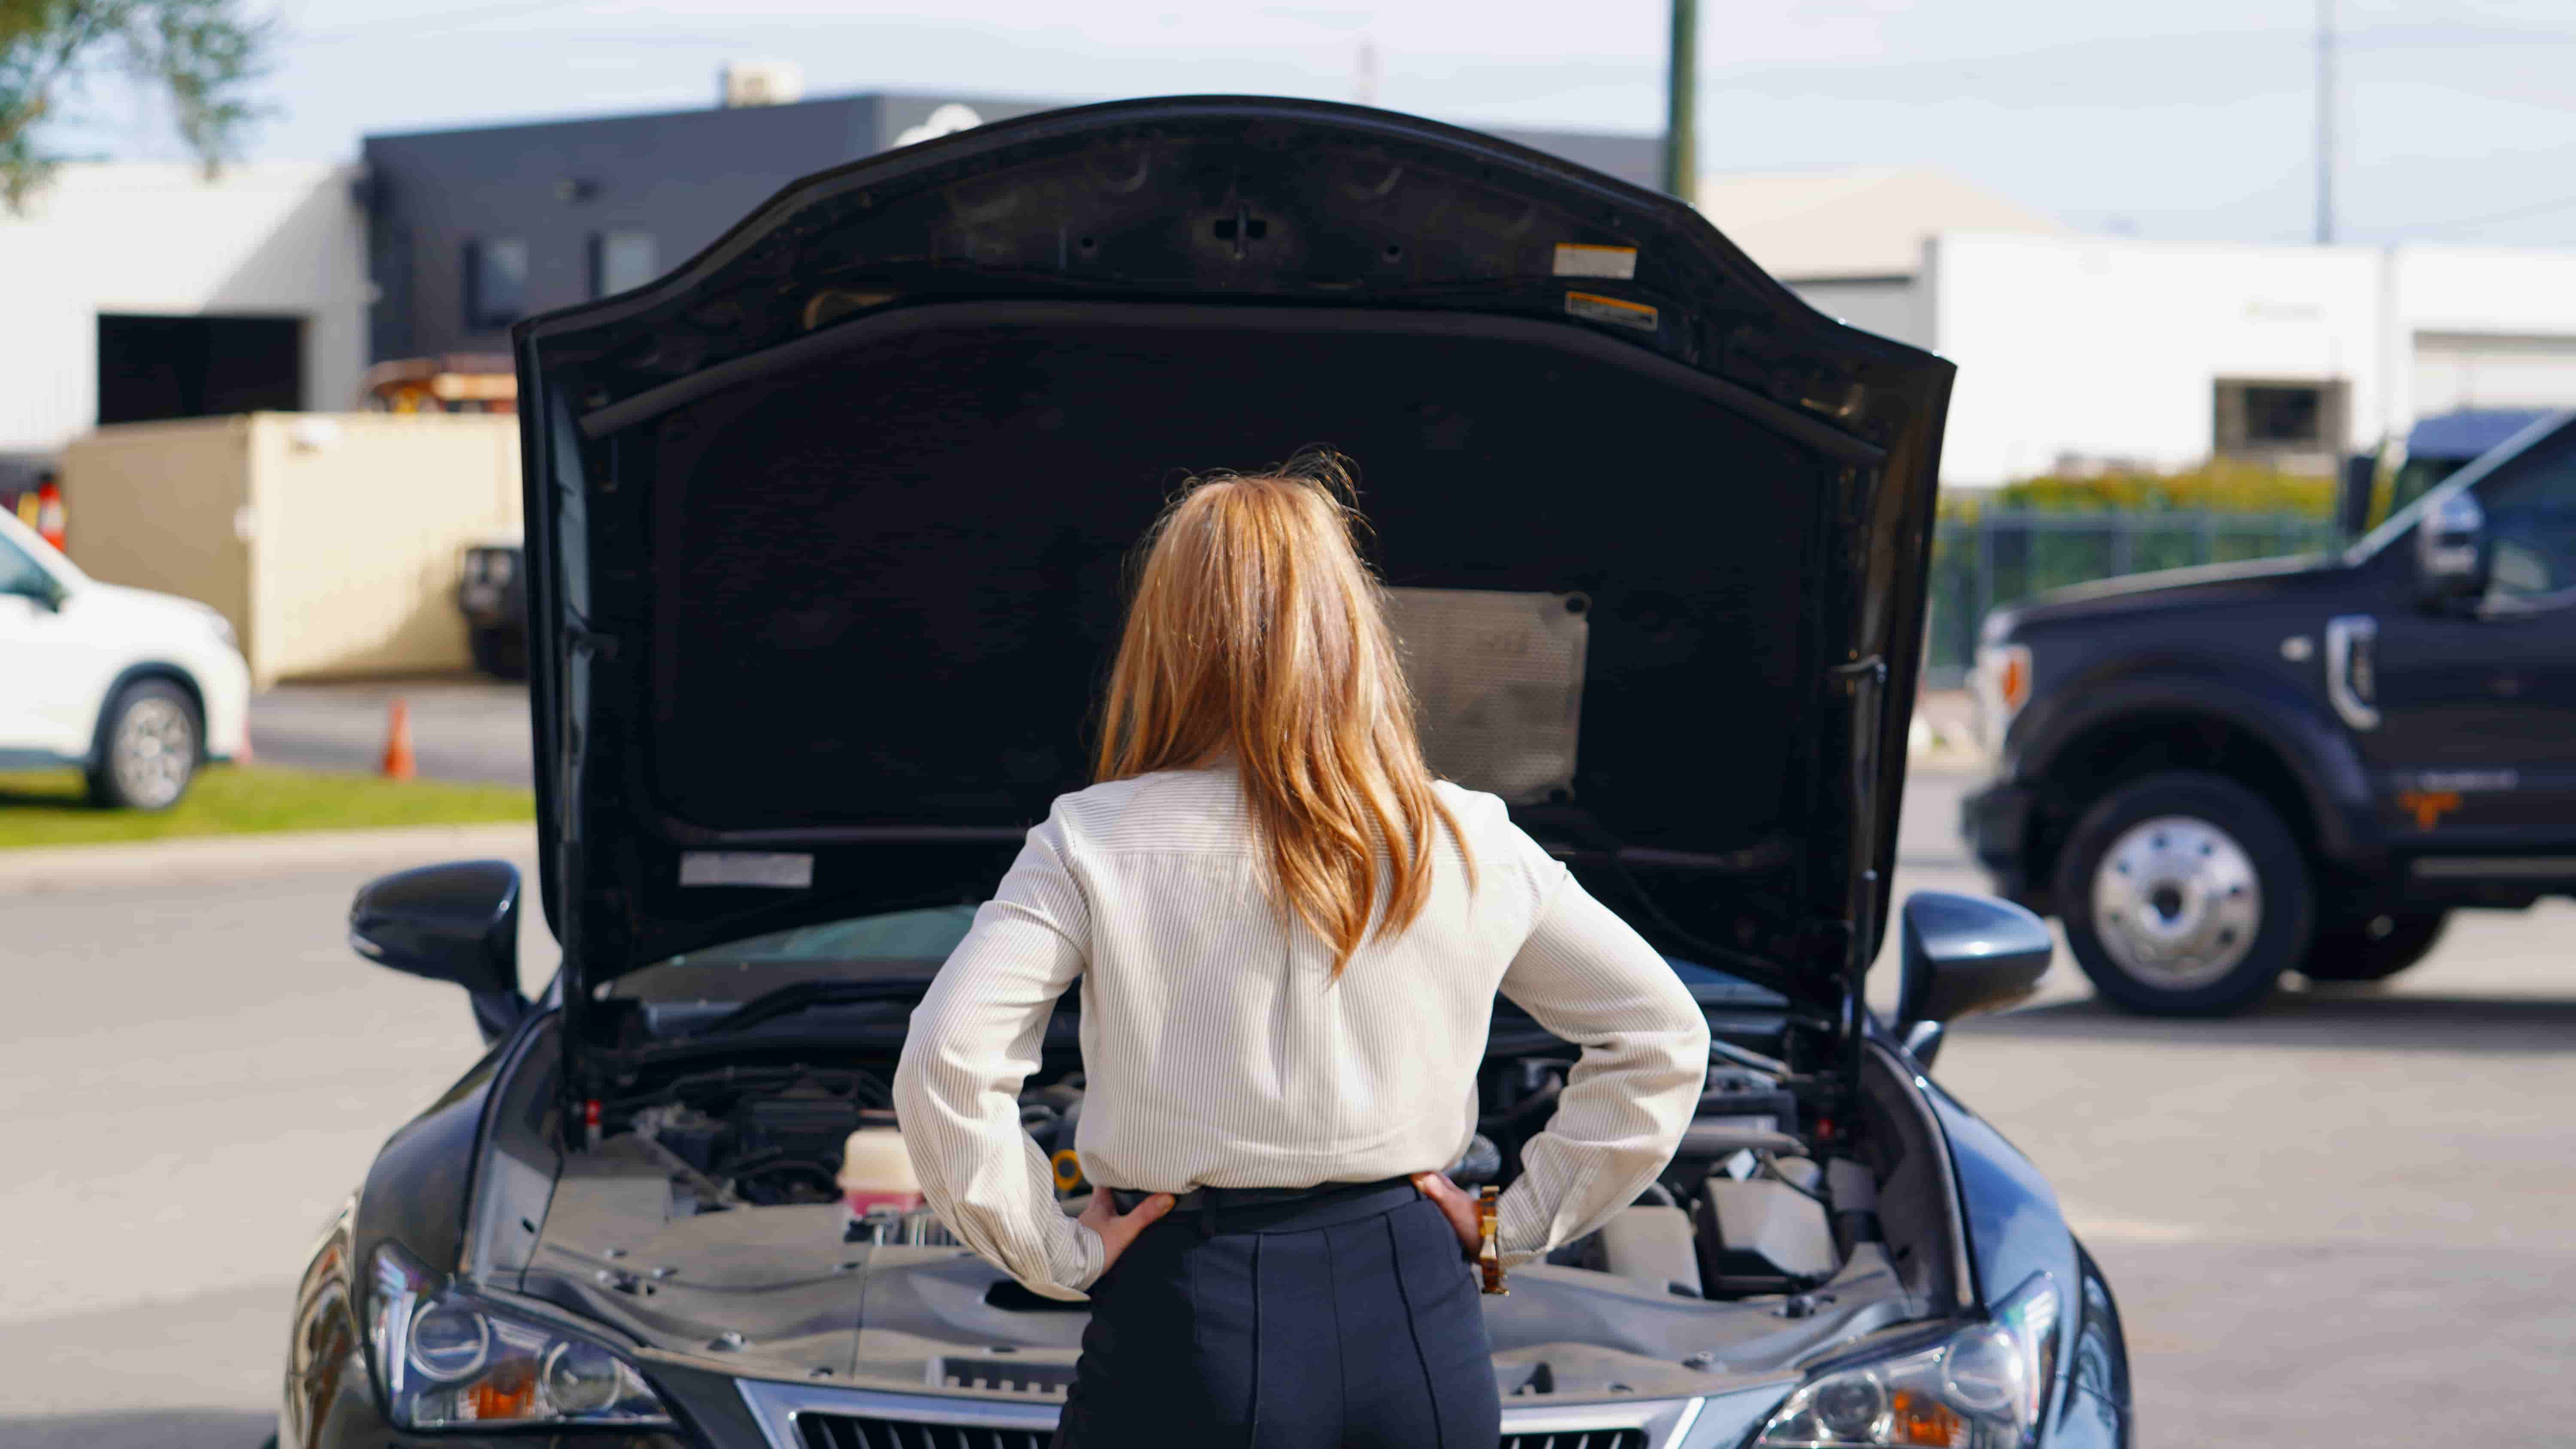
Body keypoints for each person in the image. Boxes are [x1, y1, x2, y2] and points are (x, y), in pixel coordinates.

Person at [893, 453, 1710, 1448]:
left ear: (1166, 634)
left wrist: (1055, 1252)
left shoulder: (1092, 837)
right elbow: (1661, 1033)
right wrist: (1513, 1225)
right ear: (1353, 625)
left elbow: (946, 1061)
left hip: (1185, 1308)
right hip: (1417, 1308)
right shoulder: (1466, 834)